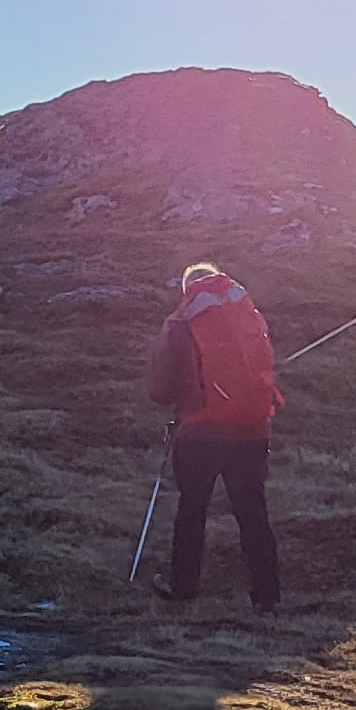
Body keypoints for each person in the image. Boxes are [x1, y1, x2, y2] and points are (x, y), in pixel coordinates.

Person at [145, 262, 282, 612]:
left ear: (188, 288)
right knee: (252, 510)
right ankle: (267, 595)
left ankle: (183, 587)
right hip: (251, 428)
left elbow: (160, 390)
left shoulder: (181, 320)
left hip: (200, 431)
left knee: (192, 508)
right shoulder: (246, 313)